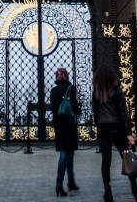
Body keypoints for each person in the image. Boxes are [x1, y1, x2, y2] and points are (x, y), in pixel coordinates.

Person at [92, 64, 137, 201]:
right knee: (127, 158)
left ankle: (107, 191)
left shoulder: (96, 92)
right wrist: (129, 133)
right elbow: (123, 113)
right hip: (117, 128)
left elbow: (95, 112)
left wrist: (99, 126)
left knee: (106, 161)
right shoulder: (117, 90)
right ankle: (134, 189)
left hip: (103, 129)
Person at [50, 67, 81, 197]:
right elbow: (74, 106)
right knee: (65, 153)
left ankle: (71, 181)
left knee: (68, 152)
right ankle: (59, 184)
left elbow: (53, 108)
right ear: (66, 76)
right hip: (69, 124)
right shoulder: (71, 88)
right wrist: (79, 110)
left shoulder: (53, 91)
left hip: (59, 125)